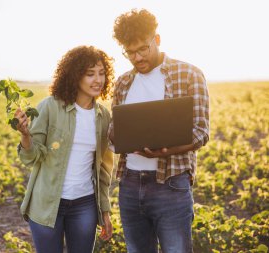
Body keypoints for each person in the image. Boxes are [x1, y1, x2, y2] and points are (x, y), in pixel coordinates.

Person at [109, 9, 210, 253]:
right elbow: (115, 133)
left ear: (157, 39)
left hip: (171, 186)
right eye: (130, 52)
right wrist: (114, 137)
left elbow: (201, 132)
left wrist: (166, 151)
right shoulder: (122, 82)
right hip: (130, 185)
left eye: (143, 49)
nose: (137, 57)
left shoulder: (189, 74)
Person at [15, 45, 114, 253]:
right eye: (90, 74)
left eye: (102, 73)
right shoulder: (50, 107)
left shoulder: (103, 117)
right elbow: (31, 158)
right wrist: (26, 136)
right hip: (47, 204)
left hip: (84, 205)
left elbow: (104, 169)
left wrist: (104, 210)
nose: (98, 80)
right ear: (75, 76)